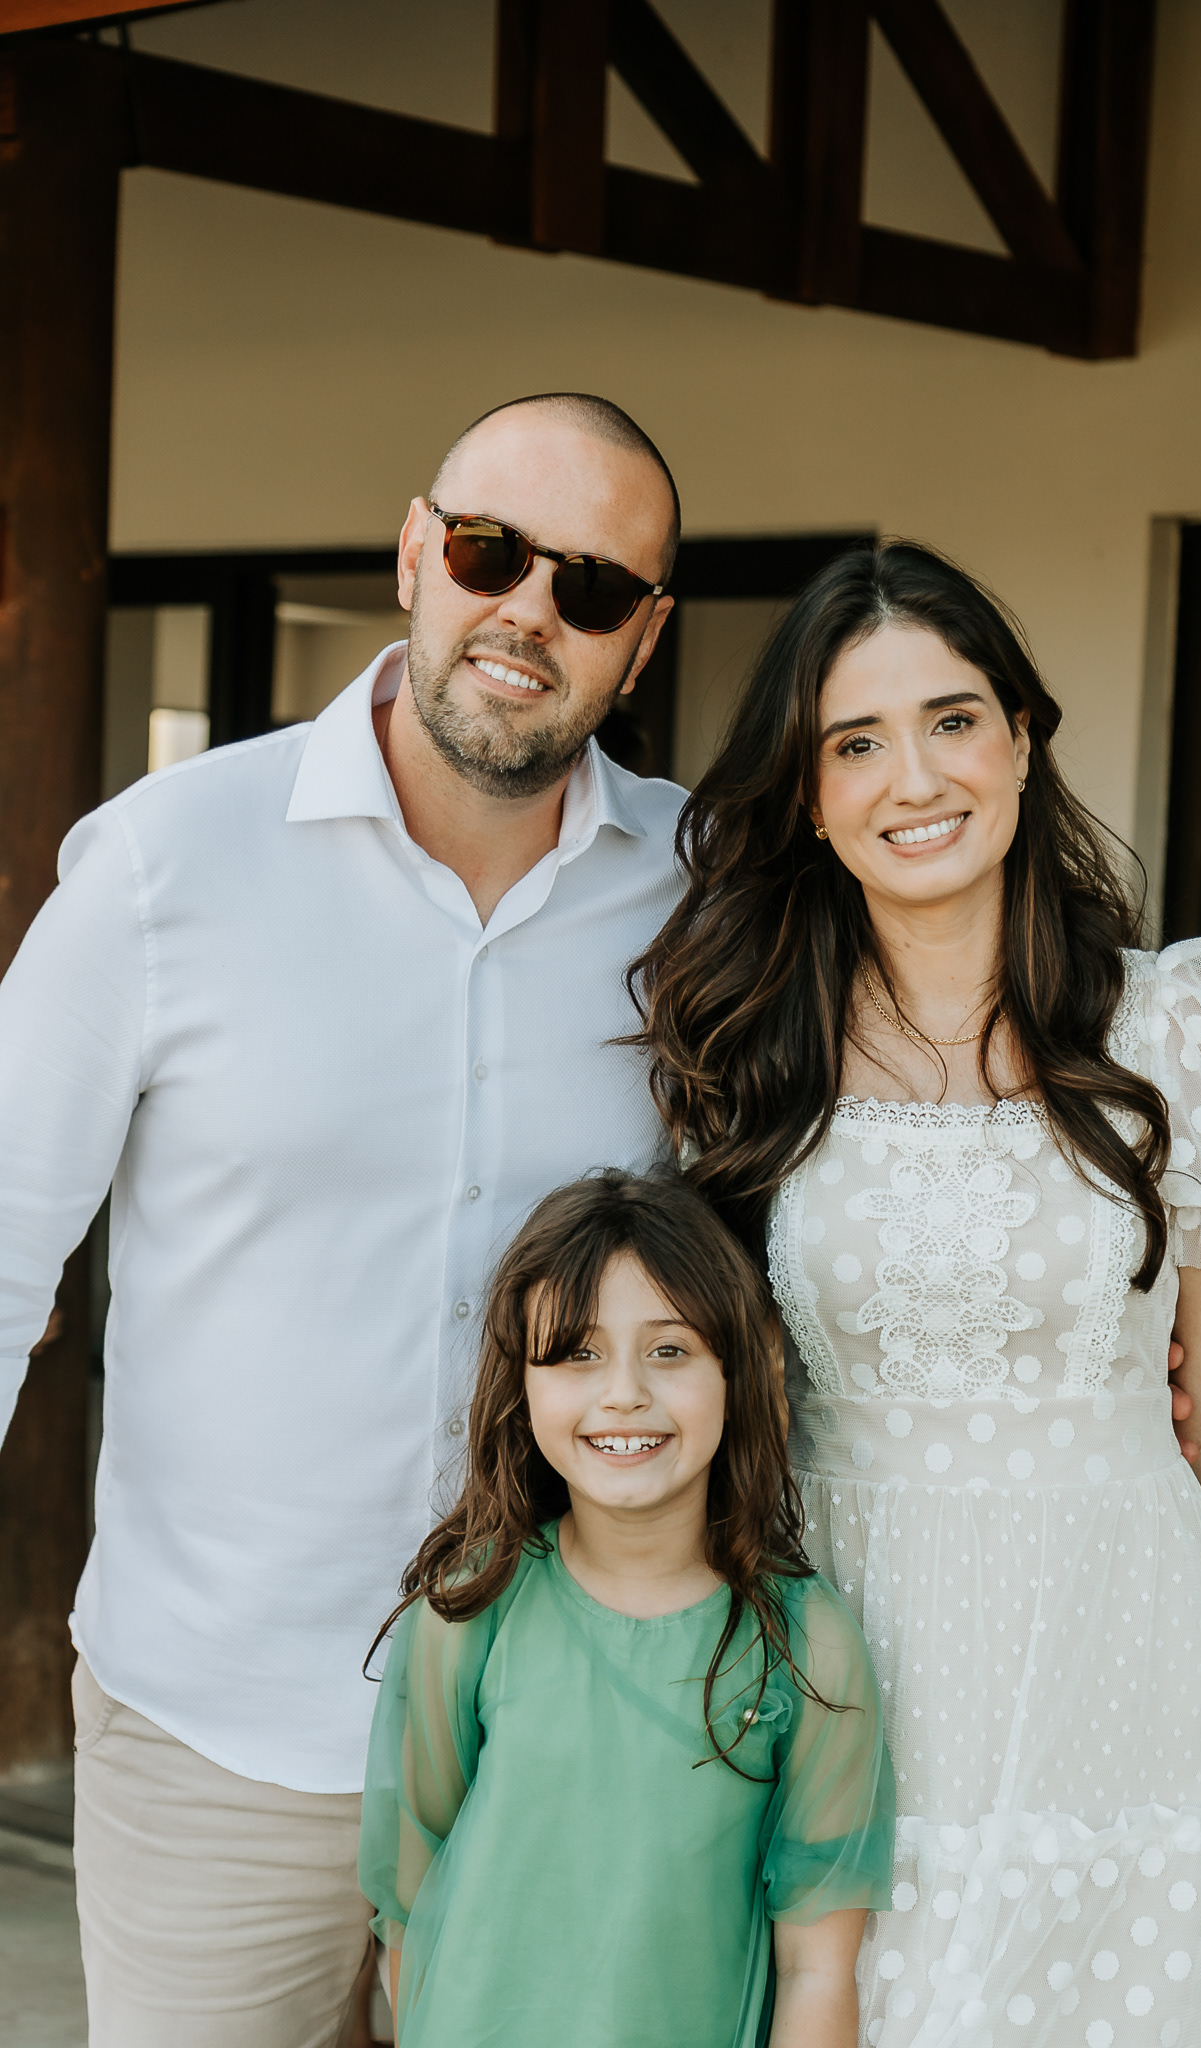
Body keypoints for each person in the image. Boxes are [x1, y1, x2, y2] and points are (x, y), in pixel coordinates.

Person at [0, 393, 685, 2048]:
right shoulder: (164, 863)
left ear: (644, 638)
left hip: (570, 1730)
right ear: (414, 553)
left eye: (593, 587)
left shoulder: (703, 894)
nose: (530, 609)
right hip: (220, 1733)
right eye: (491, 551)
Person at [630, 538, 1201, 2044]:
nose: (914, 778)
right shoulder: (750, 1043)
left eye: (953, 719)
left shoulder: (1170, 1019)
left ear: (1022, 740)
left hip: (1133, 1675)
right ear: (811, 796)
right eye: (855, 741)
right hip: (846, 1685)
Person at [359, 1170, 894, 2047]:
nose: (623, 1394)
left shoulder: (806, 1646)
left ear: (735, 1370)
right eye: (577, 1353)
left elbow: (815, 1968)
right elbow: (411, 1906)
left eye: (669, 1351)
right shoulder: (470, 1610)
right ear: (522, 1383)